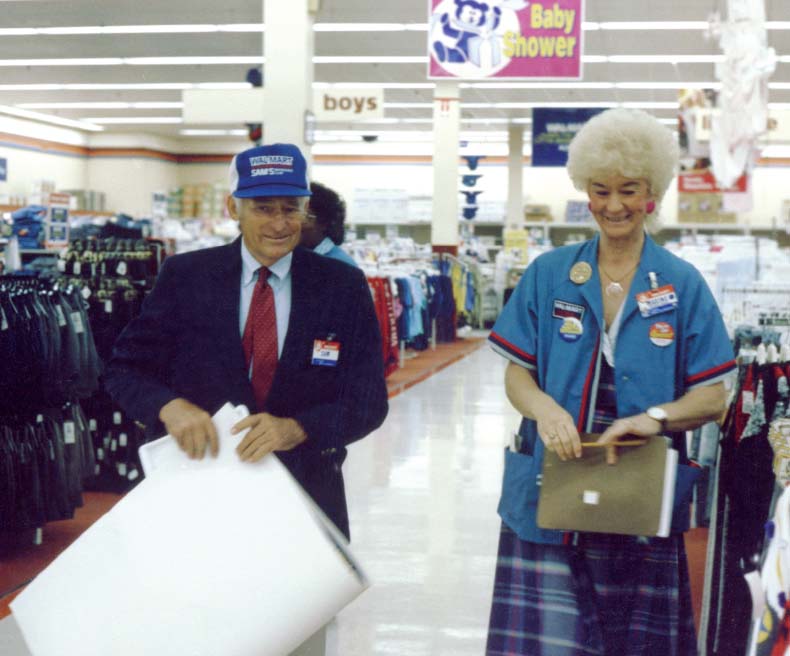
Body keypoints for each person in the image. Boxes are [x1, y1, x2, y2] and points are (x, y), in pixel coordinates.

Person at [485, 109, 736, 656]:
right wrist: (545, 411)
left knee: (634, 642)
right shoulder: (549, 273)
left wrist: (654, 419)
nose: (615, 205)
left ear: (653, 193)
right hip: (551, 484)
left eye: (630, 190)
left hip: (638, 490)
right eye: (601, 190)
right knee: (549, 642)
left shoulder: (682, 282)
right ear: (584, 189)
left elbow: (714, 395)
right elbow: (516, 373)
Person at [104, 142, 388, 543]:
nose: (279, 223)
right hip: (198, 492)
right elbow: (125, 369)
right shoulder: (185, 277)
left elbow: (369, 401)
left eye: (291, 208)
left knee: (304, 605)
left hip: (305, 497)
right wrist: (170, 407)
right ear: (232, 208)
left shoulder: (342, 286)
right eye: (263, 208)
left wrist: (298, 428)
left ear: (306, 208)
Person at [299, 181, 358, 268]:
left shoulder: (341, 265)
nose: (296, 223)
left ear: (324, 223)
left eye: (304, 217)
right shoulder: (301, 258)